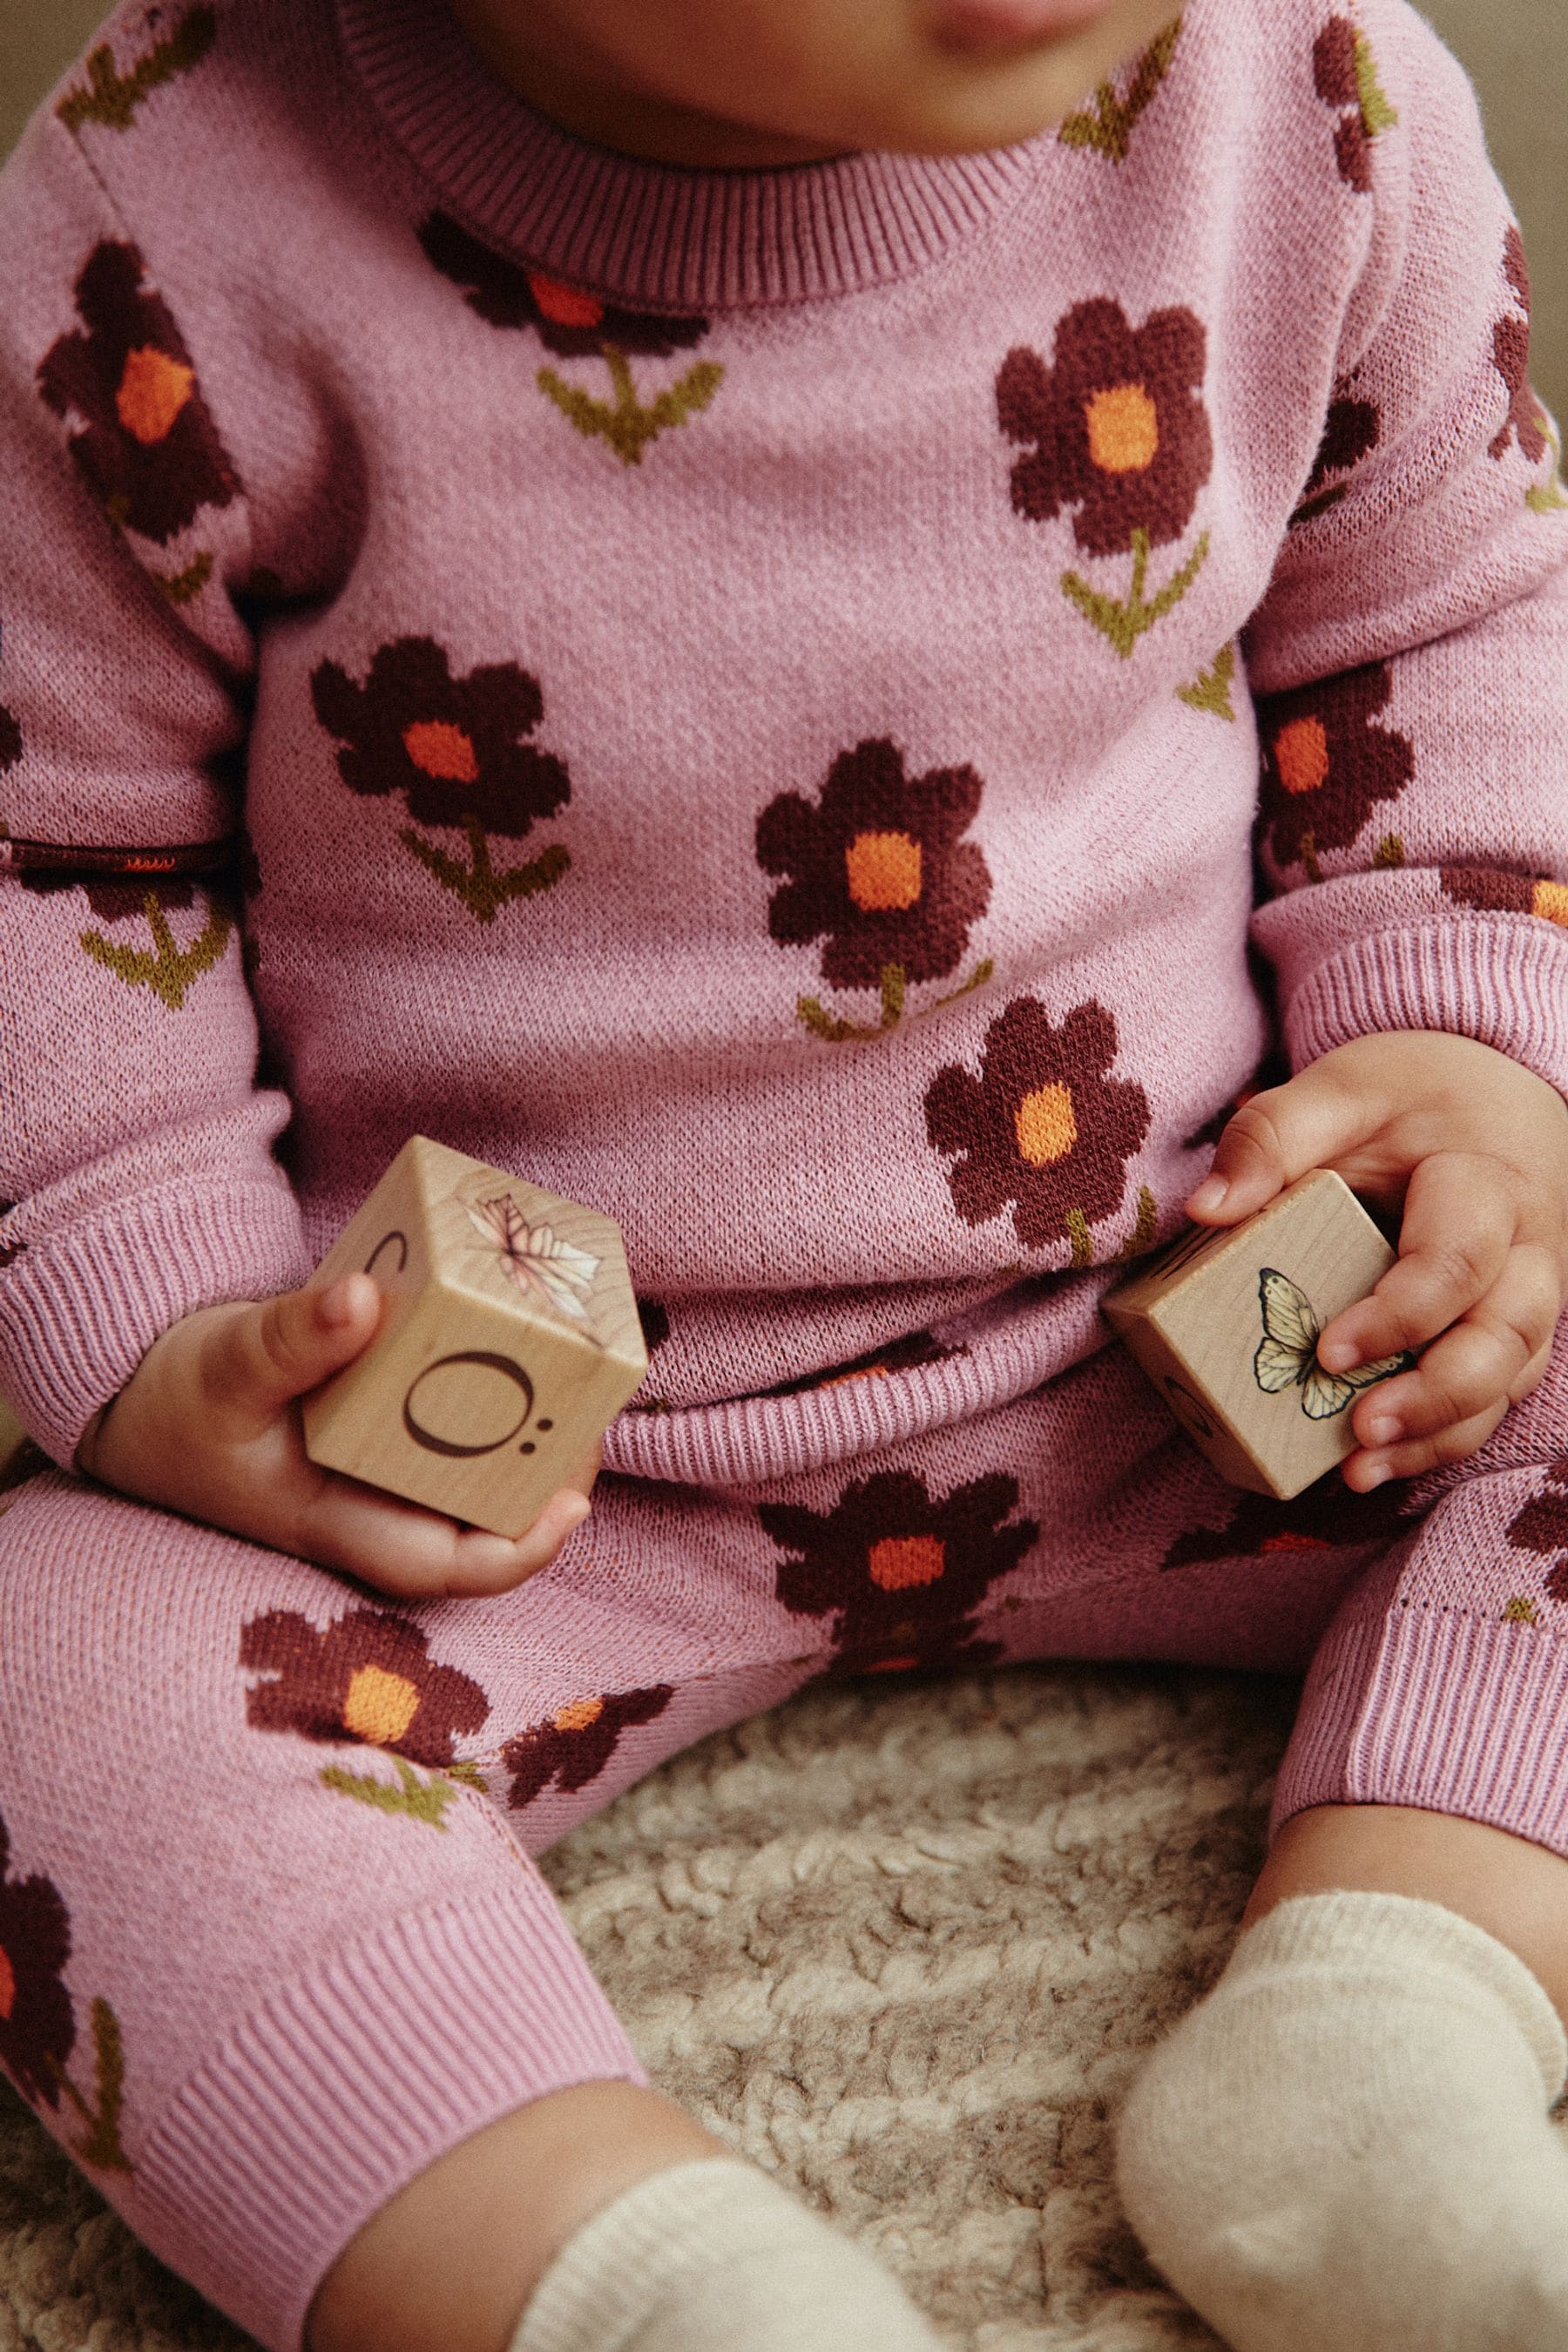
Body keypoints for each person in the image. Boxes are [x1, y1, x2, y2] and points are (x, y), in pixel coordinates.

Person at [1, 0, 1565, 2345]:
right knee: (44, 1663)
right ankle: (634, 2282)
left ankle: (1398, 2000)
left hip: (1246, 1330)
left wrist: (1466, 1058)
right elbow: (48, 857)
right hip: (509, 1490)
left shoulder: (1309, 105)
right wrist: (166, 1343)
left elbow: (1451, 624)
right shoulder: (162, 222)